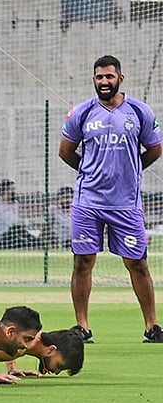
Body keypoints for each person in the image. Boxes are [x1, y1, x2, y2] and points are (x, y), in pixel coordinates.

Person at [59, 54, 163, 344]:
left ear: (120, 78)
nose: (104, 82)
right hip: (87, 202)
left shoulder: (140, 112)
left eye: (109, 76)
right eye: (99, 77)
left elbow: (155, 150)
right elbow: (65, 151)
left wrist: (130, 171)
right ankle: (82, 327)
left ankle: (152, 327)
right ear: (94, 80)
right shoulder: (82, 112)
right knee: (83, 262)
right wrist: (90, 172)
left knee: (138, 263)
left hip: (126, 204)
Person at [0, 327, 86, 378]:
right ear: (51, 349)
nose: (56, 372)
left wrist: (12, 368)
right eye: (59, 366)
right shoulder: (27, 341)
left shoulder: (27, 338)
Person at [0, 179, 42, 250]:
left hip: (15, 236)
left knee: (19, 230)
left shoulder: (15, 204)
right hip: (2, 240)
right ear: (4, 190)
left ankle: (38, 243)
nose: (14, 192)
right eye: (12, 189)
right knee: (15, 229)